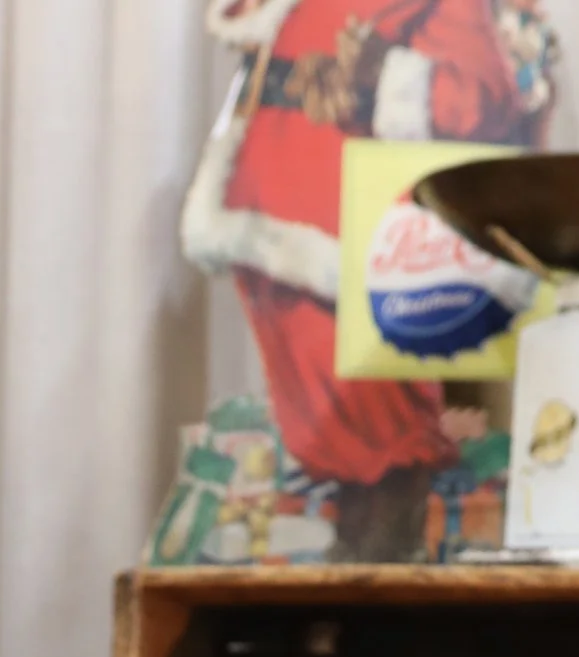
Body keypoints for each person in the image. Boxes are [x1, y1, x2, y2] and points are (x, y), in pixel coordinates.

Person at [180, 0, 557, 557]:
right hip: (263, 226)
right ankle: (345, 573)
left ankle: (375, 576)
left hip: (345, 240)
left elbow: (486, 103)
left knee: (383, 437)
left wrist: (386, 72)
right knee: (317, 427)